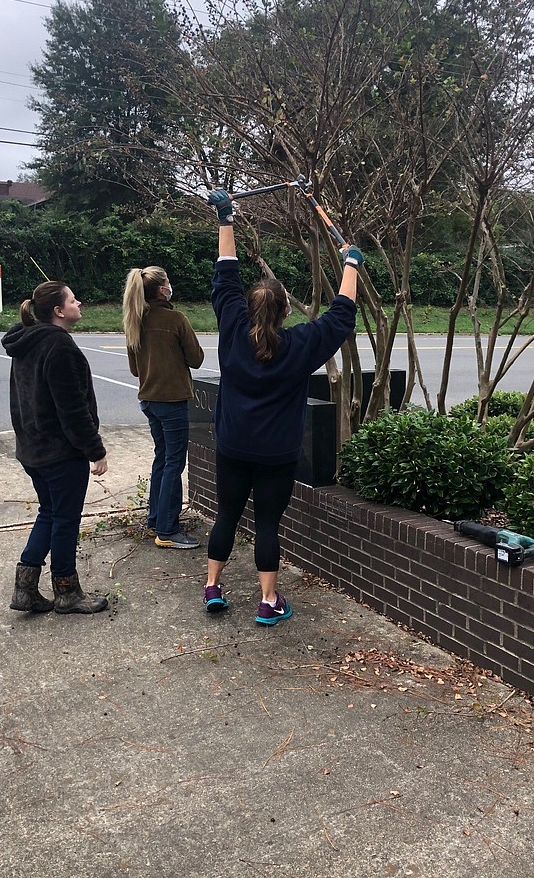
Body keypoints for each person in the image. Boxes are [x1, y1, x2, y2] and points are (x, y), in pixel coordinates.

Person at [203, 188, 363, 624]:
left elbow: (226, 274)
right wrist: (350, 264)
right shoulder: (299, 345)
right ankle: (267, 602)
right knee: (267, 524)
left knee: (227, 514)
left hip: (232, 444)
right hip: (276, 452)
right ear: (284, 310)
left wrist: (225, 218)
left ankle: (213, 586)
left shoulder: (233, 329)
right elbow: (341, 316)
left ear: (251, 306)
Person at [2, 280, 109, 615]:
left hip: (33, 449)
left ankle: (25, 589)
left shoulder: (27, 342)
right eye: (73, 300)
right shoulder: (59, 347)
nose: (80, 303)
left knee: (50, 513)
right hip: (60, 453)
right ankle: (67, 591)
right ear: (59, 311)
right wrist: (95, 449)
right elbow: (72, 409)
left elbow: (22, 401)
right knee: (65, 519)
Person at [122, 266, 205, 549]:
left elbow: (135, 369)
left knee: (162, 457)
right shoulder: (175, 319)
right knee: (174, 462)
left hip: (149, 400)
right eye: (168, 281)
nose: (171, 285)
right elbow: (196, 359)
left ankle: (156, 518)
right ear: (161, 289)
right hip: (172, 401)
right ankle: (168, 529)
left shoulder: (135, 321)